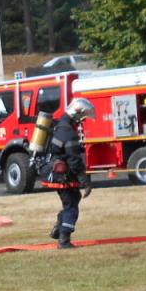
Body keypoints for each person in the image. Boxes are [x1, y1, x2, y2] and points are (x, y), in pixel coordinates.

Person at [41, 97, 97, 249]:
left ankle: (59, 229)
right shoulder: (68, 131)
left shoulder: (62, 125)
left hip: (57, 173)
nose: (82, 121)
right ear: (77, 113)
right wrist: (85, 181)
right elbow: (74, 160)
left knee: (72, 200)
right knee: (71, 206)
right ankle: (64, 240)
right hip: (62, 176)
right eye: (82, 117)